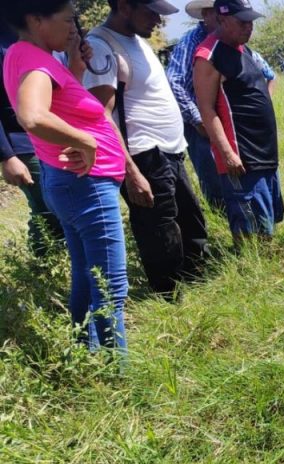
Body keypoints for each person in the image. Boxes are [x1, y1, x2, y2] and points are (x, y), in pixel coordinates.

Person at [2, 0, 129, 351]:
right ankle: (117, 371)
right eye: (68, 19)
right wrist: (87, 141)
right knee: (111, 286)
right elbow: (33, 115)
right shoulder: (32, 59)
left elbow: (62, 103)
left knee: (89, 277)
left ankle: (85, 353)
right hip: (86, 184)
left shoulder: (29, 56)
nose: (74, 27)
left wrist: (74, 63)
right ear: (36, 19)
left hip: (75, 183)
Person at [83, 0, 209, 298]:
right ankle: (170, 300)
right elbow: (101, 116)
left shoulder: (137, 41)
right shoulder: (101, 47)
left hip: (169, 152)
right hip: (143, 156)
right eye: (151, 12)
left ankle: (199, 292)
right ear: (125, 6)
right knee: (160, 231)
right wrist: (131, 172)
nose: (158, 20)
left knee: (190, 222)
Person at [167, 0, 278, 214]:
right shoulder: (197, 45)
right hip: (204, 124)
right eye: (242, 21)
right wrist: (199, 121)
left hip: (254, 143)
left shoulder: (239, 46)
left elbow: (268, 73)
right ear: (212, 15)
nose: (249, 26)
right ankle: (223, 219)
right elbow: (175, 83)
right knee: (218, 183)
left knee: (263, 205)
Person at [194, 0, 284, 242]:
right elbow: (206, 109)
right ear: (221, 19)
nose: (249, 27)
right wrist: (227, 153)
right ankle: (249, 264)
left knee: (268, 224)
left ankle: (267, 261)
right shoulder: (208, 56)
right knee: (250, 230)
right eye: (242, 21)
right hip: (241, 159)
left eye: (251, 21)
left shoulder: (244, 51)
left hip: (264, 154)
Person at [0, 19, 64, 257]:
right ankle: (44, 266)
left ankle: (56, 264)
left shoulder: (37, 30)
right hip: (21, 142)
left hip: (53, 132)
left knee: (59, 206)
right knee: (48, 210)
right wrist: (7, 156)